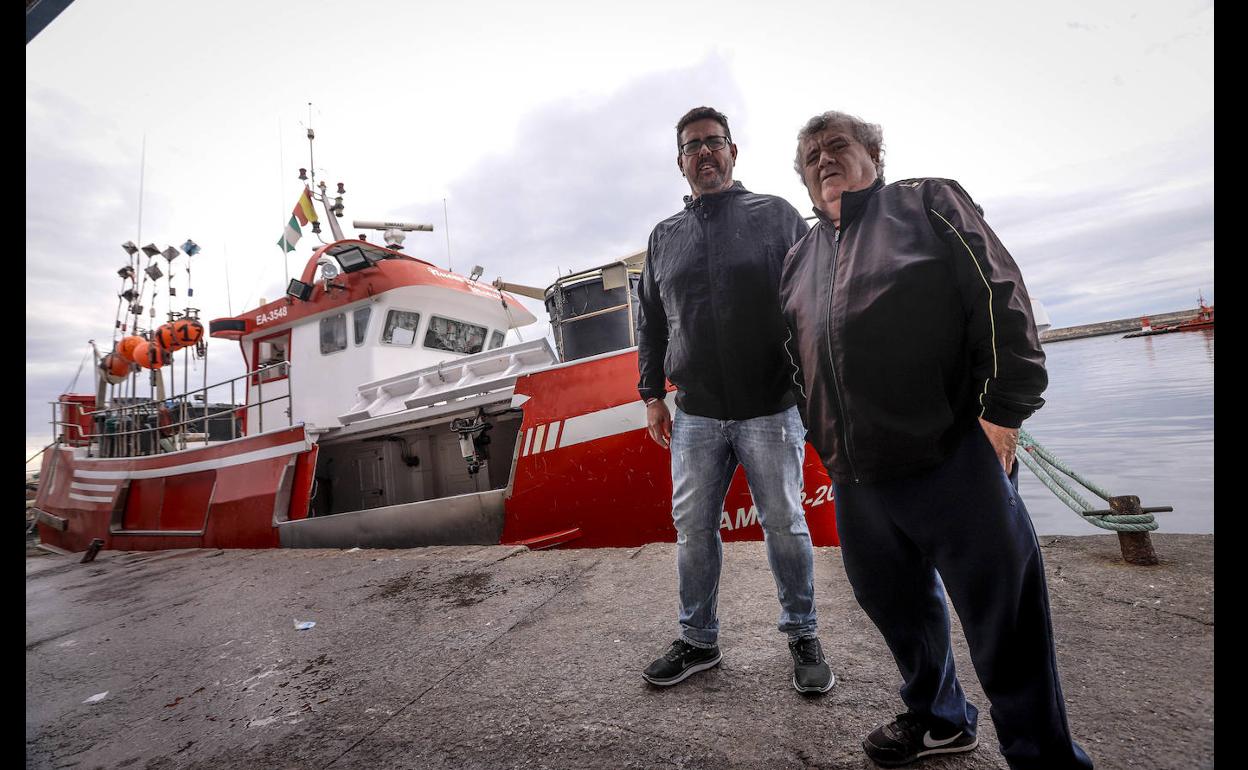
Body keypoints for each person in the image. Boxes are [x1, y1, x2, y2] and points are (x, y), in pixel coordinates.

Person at [779, 110, 1093, 769]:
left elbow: (1000, 297)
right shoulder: (798, 260)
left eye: (838, 146)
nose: (824, 160)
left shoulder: (926, 203)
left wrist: (1004, 413)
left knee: (1004, 624)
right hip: (859, 478)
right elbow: (795, 356)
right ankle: (940, 718)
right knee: (896, 610)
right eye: (811, 157)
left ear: (874, 154)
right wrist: (823, 440)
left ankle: (1045, 758)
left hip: (954, 459)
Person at [636, 106, 832, 694]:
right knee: (693, 529)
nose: (704, 153)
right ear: (681, 163)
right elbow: (650, 321)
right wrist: (652, 394)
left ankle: (803, 632)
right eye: (692, 147)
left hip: (770, 407)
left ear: (733, 151)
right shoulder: (664, 237)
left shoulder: (775, 216)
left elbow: (816, 301)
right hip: (695, 412)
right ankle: (698, 640)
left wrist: (817, 387)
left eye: (713, 143)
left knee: (786, 524)